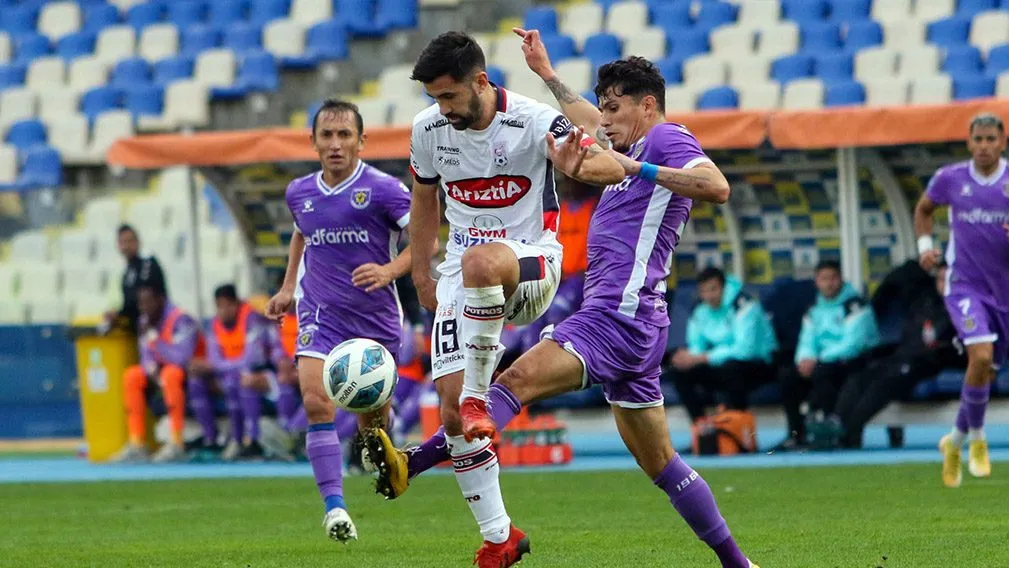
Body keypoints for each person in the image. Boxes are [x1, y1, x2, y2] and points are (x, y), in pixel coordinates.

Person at [368, 31, 759, 568]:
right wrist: (548, 75)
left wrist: (635, 169)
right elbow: (587, 128)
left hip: (616, 317)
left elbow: (716, 187)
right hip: (634, 319)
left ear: (648, 106)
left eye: (615, 107)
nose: (605, 118)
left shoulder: (665, 140)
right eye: (603, 107)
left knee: (507, 386)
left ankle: (415, 461)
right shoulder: (624, 144)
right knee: (664, 466)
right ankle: (741, 565)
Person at [363, 30, 626, 565]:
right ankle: (500, 537)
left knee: (483, 263)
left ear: (480, 81)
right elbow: (423, 200)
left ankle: (482, 398)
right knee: (454, 414)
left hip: (532, 263)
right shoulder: (428, 131)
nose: (443, 108)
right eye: (435, 98)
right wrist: (420, 275)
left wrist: (576, 162)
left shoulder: (530, 120)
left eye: (450, 97)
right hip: (461, 274)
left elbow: (611, 162)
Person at [263, 99, 415, 542]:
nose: (335, 144)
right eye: (326, 136)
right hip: (320, 313)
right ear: (313, 142)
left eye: (344, 135)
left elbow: (422, 242)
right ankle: (334, 509)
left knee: (374, 428)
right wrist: (289, 287)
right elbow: (301, 233)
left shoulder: (385, 189)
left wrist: (388, 271)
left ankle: (379, 447)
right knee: (316, 402)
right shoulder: (299, 192)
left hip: (375, 318)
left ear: (361, 141)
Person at [914, 112, 1009, 488]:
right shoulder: (950, 178)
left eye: (991, 139)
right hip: (963, 286)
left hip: (1003, 292)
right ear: (969, 143)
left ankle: (953, 441)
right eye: (978, 139)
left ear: (1002, 142)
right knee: (980, 356)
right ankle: (979, 441)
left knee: (985, 370)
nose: (984, 146)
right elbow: (924, 209)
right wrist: (924, 246)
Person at [833, 261, 965, 448]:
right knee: (860, 377)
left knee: (886, 382)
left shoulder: (966, 307)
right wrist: (926, 259)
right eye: (940, 279)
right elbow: (905, 272)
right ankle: (837, 426)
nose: (944, 285)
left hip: (933, 362)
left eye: (949, 280)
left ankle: (851, 433)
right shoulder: (925, 300)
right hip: (904, 357)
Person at [781, 260, 881, 448]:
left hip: (855, 362)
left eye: (833, 278)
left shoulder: (855, 305)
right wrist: (805, 359)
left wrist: (818, 359)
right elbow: (806, 341)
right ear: (816, 282)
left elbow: (853, 344)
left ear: (841, 279)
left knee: (823, 372)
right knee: (788, 376)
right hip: (823, 362)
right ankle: (796, 434)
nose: (829, 283)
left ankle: (832, 432)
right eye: (823, 279)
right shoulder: (814, 309)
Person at [668, 267, 778, 422]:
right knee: (679, 372)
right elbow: (697, 345)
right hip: (721, 363)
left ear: (724, 287)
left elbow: (745, 350)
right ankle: (702, 429)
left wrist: (702, 358)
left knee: (731, 368)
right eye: (704, 291)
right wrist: (688, 358)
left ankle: (738, 427)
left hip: (760, 364)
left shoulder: (744, 305)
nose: (709, 296)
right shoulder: (700, 310)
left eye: (713, 289)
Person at [189, 284, 287, 460]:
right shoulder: (214, 325)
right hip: (228, 375)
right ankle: (211, 438)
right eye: (219, 306)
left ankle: (248, 440)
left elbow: (252, 359)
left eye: (227, 305)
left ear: (236, 304)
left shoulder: (252, 320)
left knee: (240, 382)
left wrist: (219, 367)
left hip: (260, 374)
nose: (223, 311)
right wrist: (219, 367)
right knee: (196, 381)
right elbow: (214, 358)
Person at [111, 283, 204, 463]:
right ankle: (137, 442)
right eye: (141, 304)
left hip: (192, 375)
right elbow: (145, 355)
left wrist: (156, 341)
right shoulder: (145, 321)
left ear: (160, 300)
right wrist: (152, 370)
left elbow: (182, 357)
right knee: (132, 375)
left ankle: (177, 442)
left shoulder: (181, 319)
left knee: (171, 374)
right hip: (160, 373)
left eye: (148, 302)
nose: (144, 308)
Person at [104, 225, 166, 334]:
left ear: (138, 242)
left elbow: (146, 298)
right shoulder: (125, 275)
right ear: (118, 246)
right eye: (123, 242)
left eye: (130, 241)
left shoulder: (149, 264)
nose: (127, 246)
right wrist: (116, 315)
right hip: (140, 335)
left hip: (159, 329)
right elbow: (129, 307)